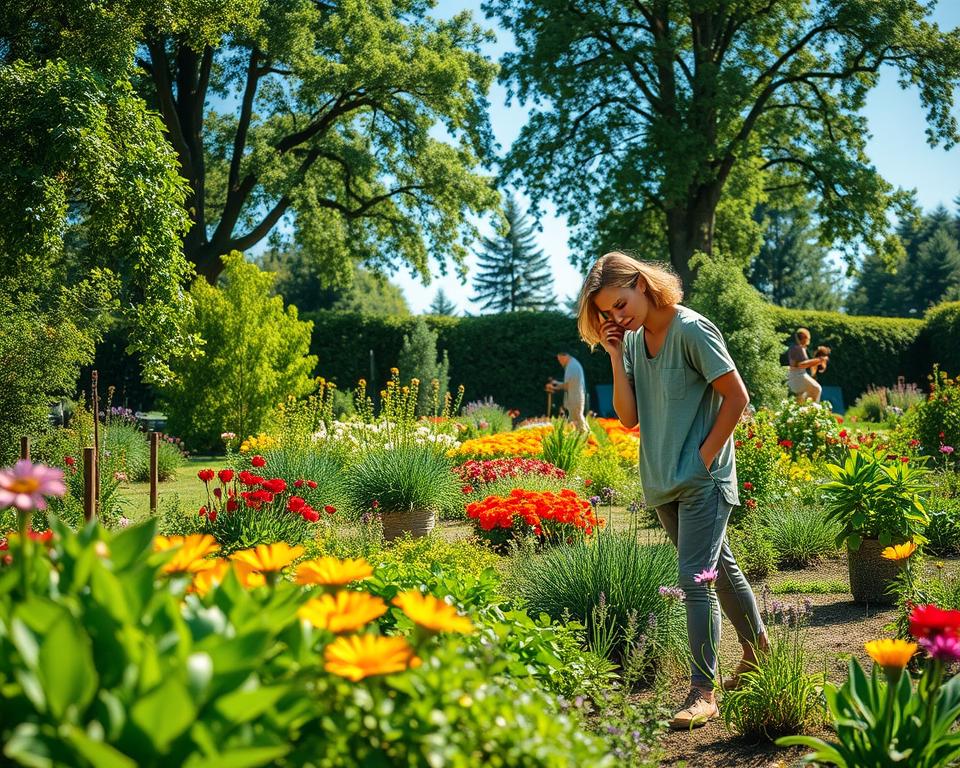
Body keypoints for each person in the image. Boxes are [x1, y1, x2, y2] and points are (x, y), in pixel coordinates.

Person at [575, 251, 768, 730]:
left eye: (621, 304)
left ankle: (704, 690)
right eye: (607, 314)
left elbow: (737, 397)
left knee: (695, 579)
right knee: (719, 569)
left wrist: (705, 458)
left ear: (642, 283)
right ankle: (760, 651)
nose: (618, 317)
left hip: (702, 480)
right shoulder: (636, 342)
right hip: (661, 481)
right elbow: (627, 416)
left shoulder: (691, 329)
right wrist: (617, 354)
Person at [548, 352, 589, 432]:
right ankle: (586, 437)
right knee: (577, 419)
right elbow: (569, 384)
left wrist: (555, 387)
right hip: (575, 397)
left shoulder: (572, 366)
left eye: (560, 359)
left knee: (577, 420)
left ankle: (587, 438)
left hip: (575, 398)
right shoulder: (572, 364)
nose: (560, 362)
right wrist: (556, 383)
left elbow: (567, 385)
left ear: (564, 356)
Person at [787, 329, 827, 402]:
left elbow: (804, 364)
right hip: (797, 375)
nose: (808, 340)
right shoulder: (797, 348)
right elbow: (800, 365)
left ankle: (804, 411)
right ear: (803, 337)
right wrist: (818, 360)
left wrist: (818, 361)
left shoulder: (799, 348)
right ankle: (813, 410)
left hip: (798, 375)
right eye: (808, 338)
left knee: (801, 398)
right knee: (817, 389)